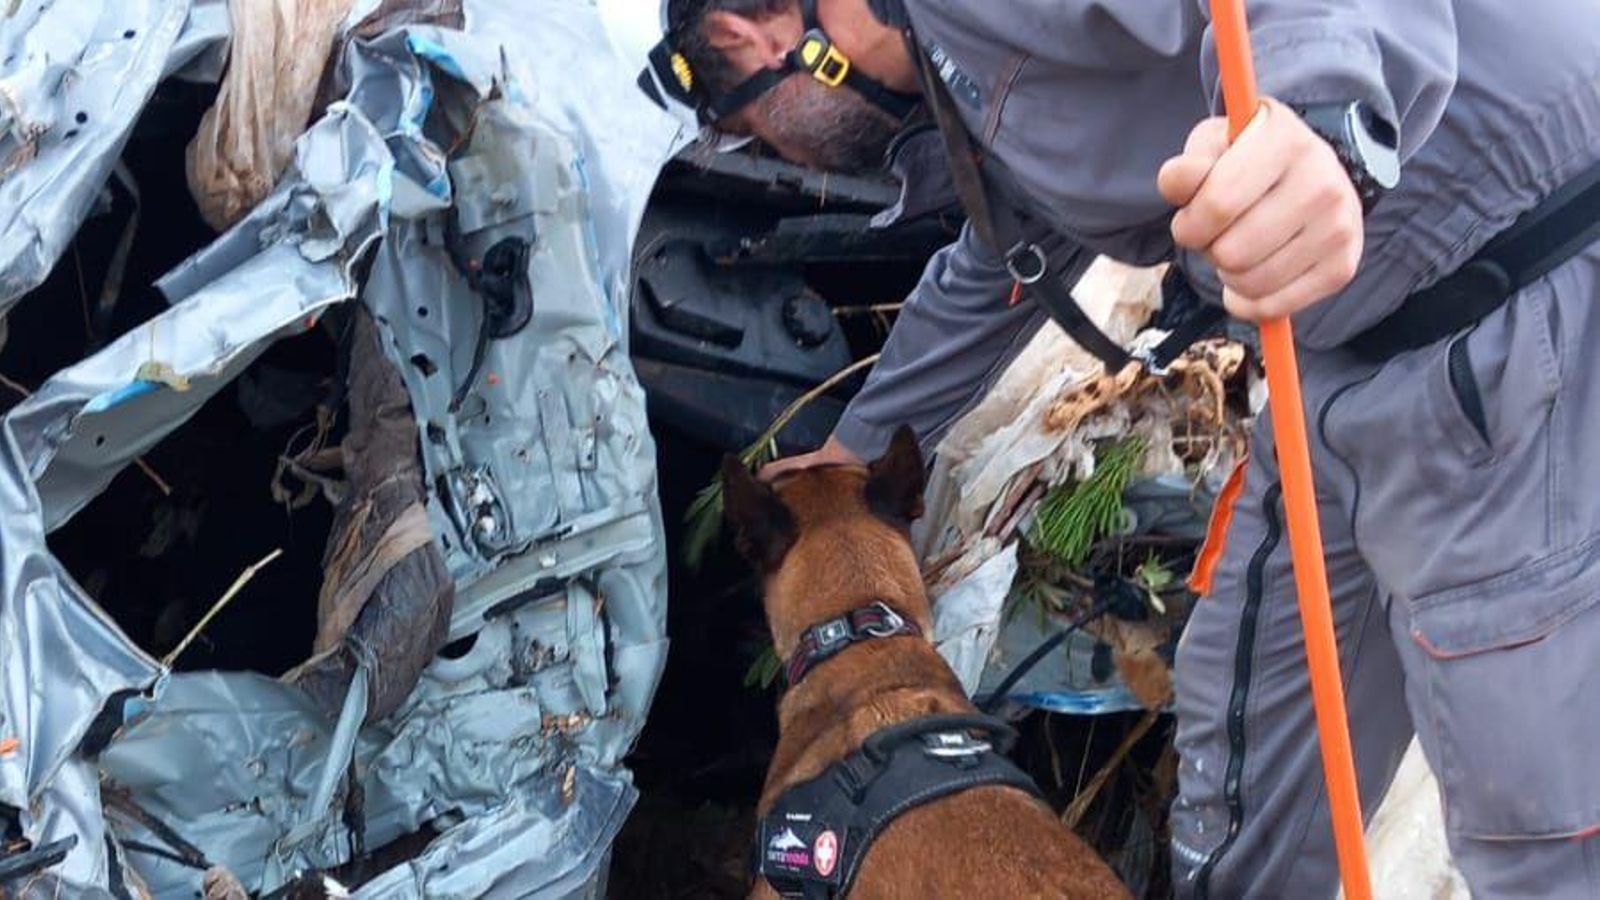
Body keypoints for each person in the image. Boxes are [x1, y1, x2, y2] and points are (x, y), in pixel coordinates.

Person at [639, 1, 1600, 897]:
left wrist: (1322, 119)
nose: (761, 150)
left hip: (1515, 299)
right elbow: (1000, 263)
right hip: (1338, 370)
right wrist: (848, 446)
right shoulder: (960, 76)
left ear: (753, 40)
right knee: (1246, 777)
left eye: (740, 126)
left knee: (1543, 829)